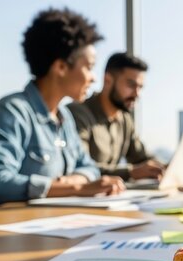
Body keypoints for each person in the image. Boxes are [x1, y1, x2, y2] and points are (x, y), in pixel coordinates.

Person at [0, 8, 125, 212]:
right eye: (89, 67)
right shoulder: (12, 112)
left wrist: (77, 180)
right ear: (61, 67)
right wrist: (75, 187)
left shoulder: (64, 116)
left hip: (43, 224)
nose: (93, 78)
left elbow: (89, 167)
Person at [68, 53, 164, 181]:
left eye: (140, 87)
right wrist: (130, 172)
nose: (137, 94)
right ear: (108, 80)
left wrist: (164, 167)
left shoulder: (125, 119)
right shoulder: (77, 113)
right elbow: (81, 167)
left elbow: (141, 156)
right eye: (131, 85)